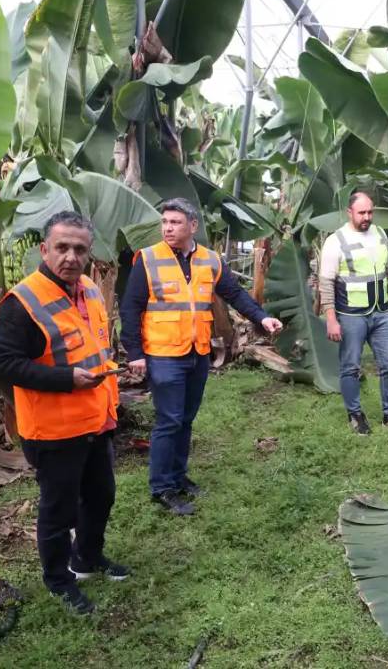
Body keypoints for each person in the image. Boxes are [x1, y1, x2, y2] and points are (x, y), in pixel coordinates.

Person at [0, 211, 128, 616]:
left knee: (101, 496)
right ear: (44, 248)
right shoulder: (23, 302)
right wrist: (67, 379)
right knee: (58, 510)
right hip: (53, 429)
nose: (70, 256)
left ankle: (87, 558)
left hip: (95, 419)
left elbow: (96, 344)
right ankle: (59, 580)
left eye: (79, 249)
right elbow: (3, 365)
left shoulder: (88, 289)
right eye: (62, 247)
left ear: (88, 254)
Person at [120, 198, 284, 515]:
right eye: (165, 222)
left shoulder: (210, 260)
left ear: (193, 226)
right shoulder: (148, 259)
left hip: (198, 352)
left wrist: (261, 318)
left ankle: (178, 477)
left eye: (175, 222)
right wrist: (135, 352)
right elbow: (131, 308)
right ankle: (162, 488)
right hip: (164, 353)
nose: (167, 227)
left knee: (186, 419)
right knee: (169, 420)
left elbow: (234, 293)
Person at [319, 191, 388, 435]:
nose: (367, 217)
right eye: (362, 212)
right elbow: (326, 283)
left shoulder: (380, 234)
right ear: (349, 212)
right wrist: (331, 319)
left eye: (370, 212)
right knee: (350, 366)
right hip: (351, 315)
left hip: (382, 313)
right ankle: (355, 415)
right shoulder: (335, 241)